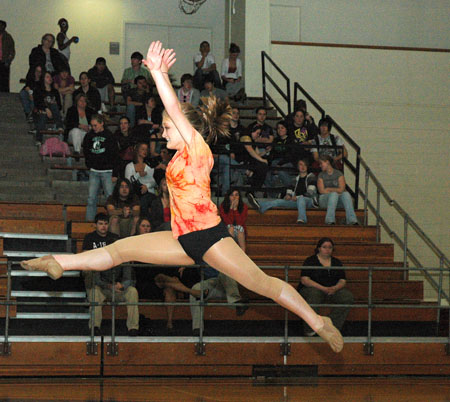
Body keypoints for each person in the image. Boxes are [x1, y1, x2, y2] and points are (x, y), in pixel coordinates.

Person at [21, 41, 343, 353]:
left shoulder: (197, 148)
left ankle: (319, 321)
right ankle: (59, 263)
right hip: (182, 238)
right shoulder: (176, 158)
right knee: (120, 249)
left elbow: (174, 108)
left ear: (184, 127)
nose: (163, 133)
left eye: (167, 128)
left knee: (262, 284)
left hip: (210, 237)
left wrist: (158, 73)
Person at [297, 237, 354, 336]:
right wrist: (323, 288)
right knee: (314, 295)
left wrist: (335, 288)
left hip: (332, 290)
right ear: (319, 248)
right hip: (313, 289)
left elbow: (342, 280)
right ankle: (310, 328)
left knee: (347, 297)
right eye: (324, 247)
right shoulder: (310, 261)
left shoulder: (336, 262)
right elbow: (305, 280)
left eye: (330, 247)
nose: (327, 249)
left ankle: (331, 325)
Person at [248, 159, 319, 224]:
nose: (303, 167)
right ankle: (260, 206)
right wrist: (288, 195)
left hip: (309, 201)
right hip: (297, 201)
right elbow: (290, 190)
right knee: (279, 201)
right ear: (298, 167)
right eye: (301, 165)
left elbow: (310, 193)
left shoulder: (311, 177)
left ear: (307, 167)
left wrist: (297, 197)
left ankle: (302, 219)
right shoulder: (295, 179)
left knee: (301, 199)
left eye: (305, 165)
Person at [82, 114, 119, 221]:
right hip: (94, 171)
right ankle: (89, 221)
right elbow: (86, 151)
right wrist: (89, 164)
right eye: (92, 125)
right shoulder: (89, 136)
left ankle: (112, 221)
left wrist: (115, 173)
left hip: (108, 171)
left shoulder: (109, 136)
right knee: (91, 198)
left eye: (95, 125)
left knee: (110, 199)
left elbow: (115, 155)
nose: (94, 128)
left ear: (102, 123)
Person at [190, 266, 247, 336]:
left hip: (228, 285)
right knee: (195, 289)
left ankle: (236, 303)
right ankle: (197, 328)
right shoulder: (201, 259)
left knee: (225, 270)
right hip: (210, 283)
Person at [81, 212, 119, 315]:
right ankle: (90, 297)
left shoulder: (114, 238)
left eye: (105, 224)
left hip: (109, 267)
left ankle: (94, 296)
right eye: (100, 224)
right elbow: (85, 255)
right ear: (95, 225)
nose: (103, 226)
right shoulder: (89, 237)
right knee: (88, 270)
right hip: (93, 267)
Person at [317, 155, 358, 225]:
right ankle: (329, 220)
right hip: (324, 200)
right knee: (334, 194)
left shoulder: (339, 174)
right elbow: (321, 191)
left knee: (346, 194)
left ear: (327, 162)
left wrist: (328, 189)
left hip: (336, 201)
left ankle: (352, 220)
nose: (320, 165)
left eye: (321, 163)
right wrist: (336, 191)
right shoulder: (321, 175)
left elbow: (342, 189)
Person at [124, 142, 157, 216]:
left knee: (145, 200)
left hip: (148, 193)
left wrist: (146, 186)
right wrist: (138, 175)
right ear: (137, 150)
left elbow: (154, 182)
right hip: (134, 193)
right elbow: (127, 182)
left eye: (146, 150)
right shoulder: (129, 166)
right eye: (142, 149)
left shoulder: (149, 166)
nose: (145, 151)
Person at [33, 71, 64, 146]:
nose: (50, 78)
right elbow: (37, 103)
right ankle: (39, 139)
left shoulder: (55, 91)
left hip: (54, 112)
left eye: (50, 77)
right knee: (43, 114)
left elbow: (59, 106)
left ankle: (59, 126)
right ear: (43, 79)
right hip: (42, 111)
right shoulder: (38, 90)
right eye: (47, 77)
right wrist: (46, 109)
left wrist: (51, 107)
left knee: (53, 105)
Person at [65, 93, 95, 158]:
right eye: (81, 100)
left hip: (86, 134)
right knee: (76, 130)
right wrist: (79, 126)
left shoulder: (90, 111)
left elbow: (95, 123)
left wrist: (89, 127)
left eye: (84, 101)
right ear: (77, 101)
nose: (83, 102)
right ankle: (77, 151)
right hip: (73, 135)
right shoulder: (71, 110)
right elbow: (68, 123)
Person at [0, 20, 15, 92]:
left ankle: (5, 96)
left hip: (4, 62)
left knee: (4, 82)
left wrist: (8, 60)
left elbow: (12, 51)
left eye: (2, 26)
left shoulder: (8, 37)